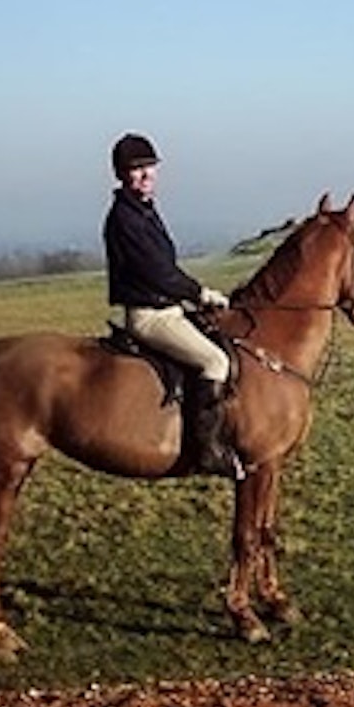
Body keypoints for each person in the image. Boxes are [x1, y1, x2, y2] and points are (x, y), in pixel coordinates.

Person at [102, 133, 243, 478]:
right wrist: (201, 294)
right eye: (136, 169)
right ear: (121, 174)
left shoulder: (145, 211)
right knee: (215, 361)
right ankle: (207, 451)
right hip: (151, 317)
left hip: (169, 310)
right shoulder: (125, 218)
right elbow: (158, 273)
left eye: (149, 166)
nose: (146, 174)